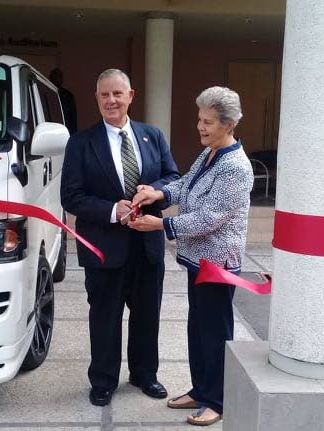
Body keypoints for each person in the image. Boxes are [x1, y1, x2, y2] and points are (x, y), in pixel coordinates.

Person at [128, 86, 252, 426]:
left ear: (228, 125)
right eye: (199, 119)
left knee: (214, 332)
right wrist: (159, 192)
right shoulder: (210, 153)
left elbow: (211, 218)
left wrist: (161, 224)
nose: (200, 126)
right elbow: (185, 185)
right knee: (197, 329)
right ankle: (201, 390)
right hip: (197, 260)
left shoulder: (236, 168)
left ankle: (218, 399)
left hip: (217, 263)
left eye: (208, 122)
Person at [60, 68, 180, 407]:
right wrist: (114, 210)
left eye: (118, 93)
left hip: (147, 247)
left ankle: (145, 374)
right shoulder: (81, 143)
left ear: (131, 96)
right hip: (103, 248)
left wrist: (155, 192)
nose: (111, 100)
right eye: (104, 95)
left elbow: (174, 177)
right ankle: (103, 380)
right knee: (105, 317)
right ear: (96, 99)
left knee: (147, 316)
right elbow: (71, 196)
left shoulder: (152, 135)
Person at [49, 68, 78, 135]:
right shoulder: (46, 92)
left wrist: (73, 135)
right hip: (49, 130)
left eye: (60, 76)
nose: (58, 78)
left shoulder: (68, 95)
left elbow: (73, 118)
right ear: (50, 77)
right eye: (56, 75)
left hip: (65, 131)